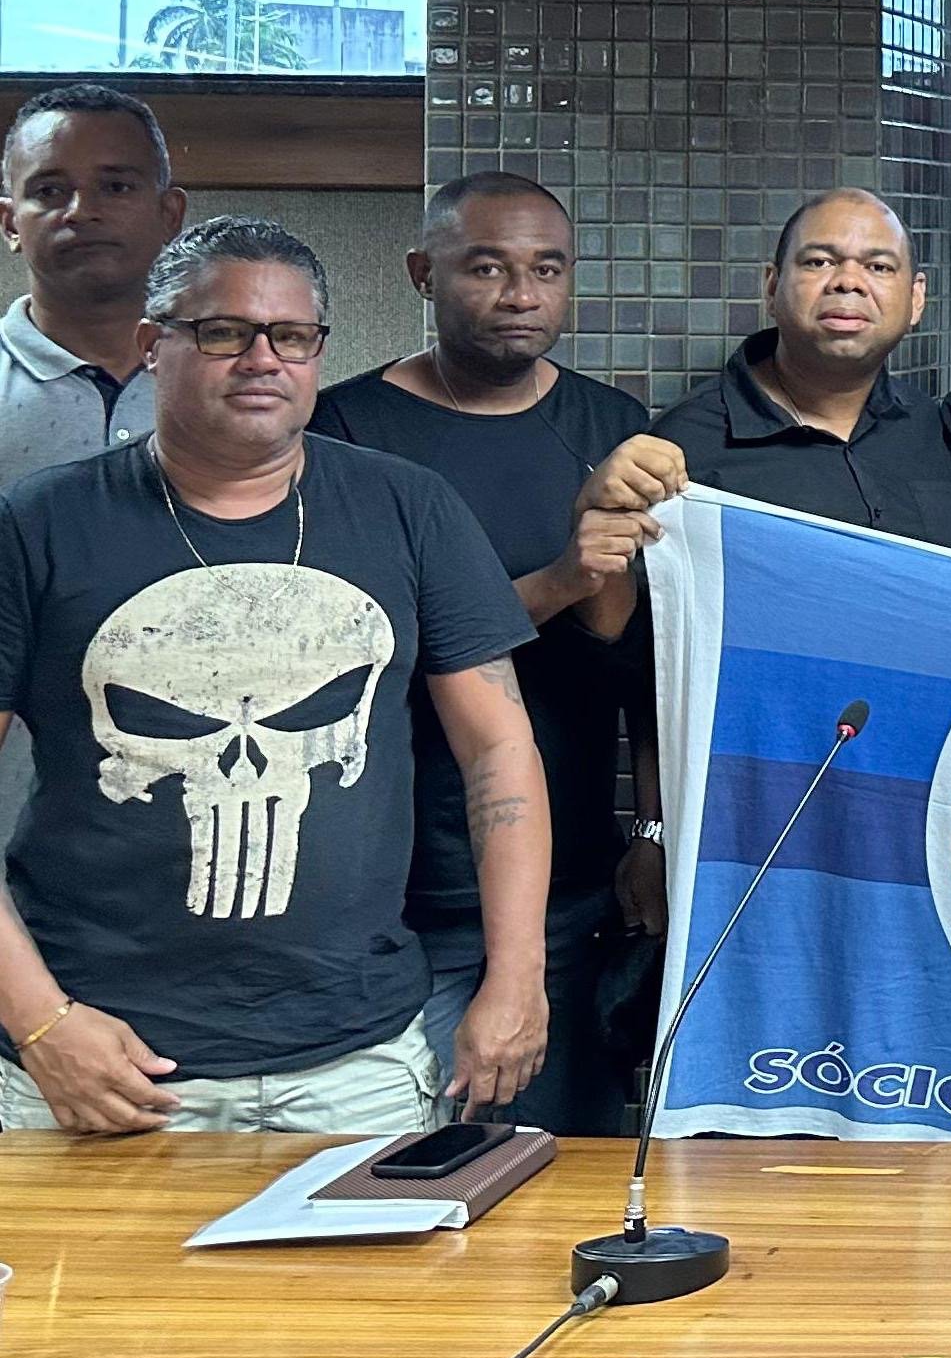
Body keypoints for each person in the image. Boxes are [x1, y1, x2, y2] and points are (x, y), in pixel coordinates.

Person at [0, 217, 547, 1133]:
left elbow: (497, 753)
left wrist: (516, 977)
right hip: (99, 1063)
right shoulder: (38, 524)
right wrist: (40, 1021)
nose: (263, 358)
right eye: (223, 332)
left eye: (290, 336)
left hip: (357, 1063)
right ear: (152, 347)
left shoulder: (407, 509)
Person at [310, 173, 661, 1136]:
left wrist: (650, 836)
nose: (520, 294)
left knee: (546, 1173)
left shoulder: (608, 426)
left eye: (546, 269)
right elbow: (360, 652)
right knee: (382, 1179)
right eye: (488, 268)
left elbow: (637, 668)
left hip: (561, 879)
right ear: (424, 274)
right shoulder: (343, 433)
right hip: (387, 880)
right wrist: (558, 577)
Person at [0, 85, 187, 842]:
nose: (82, 210)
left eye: (116, 185)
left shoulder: (239, 387)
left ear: (169, 214)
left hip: (184, 827)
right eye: (50, 190)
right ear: (10, 223)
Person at [635, 189, 951, 549]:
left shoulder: (935, 426)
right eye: (819, 262)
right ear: (773, 287)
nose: (848, 281)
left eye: (879, 267)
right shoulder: (683, 444)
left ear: (916, 299)